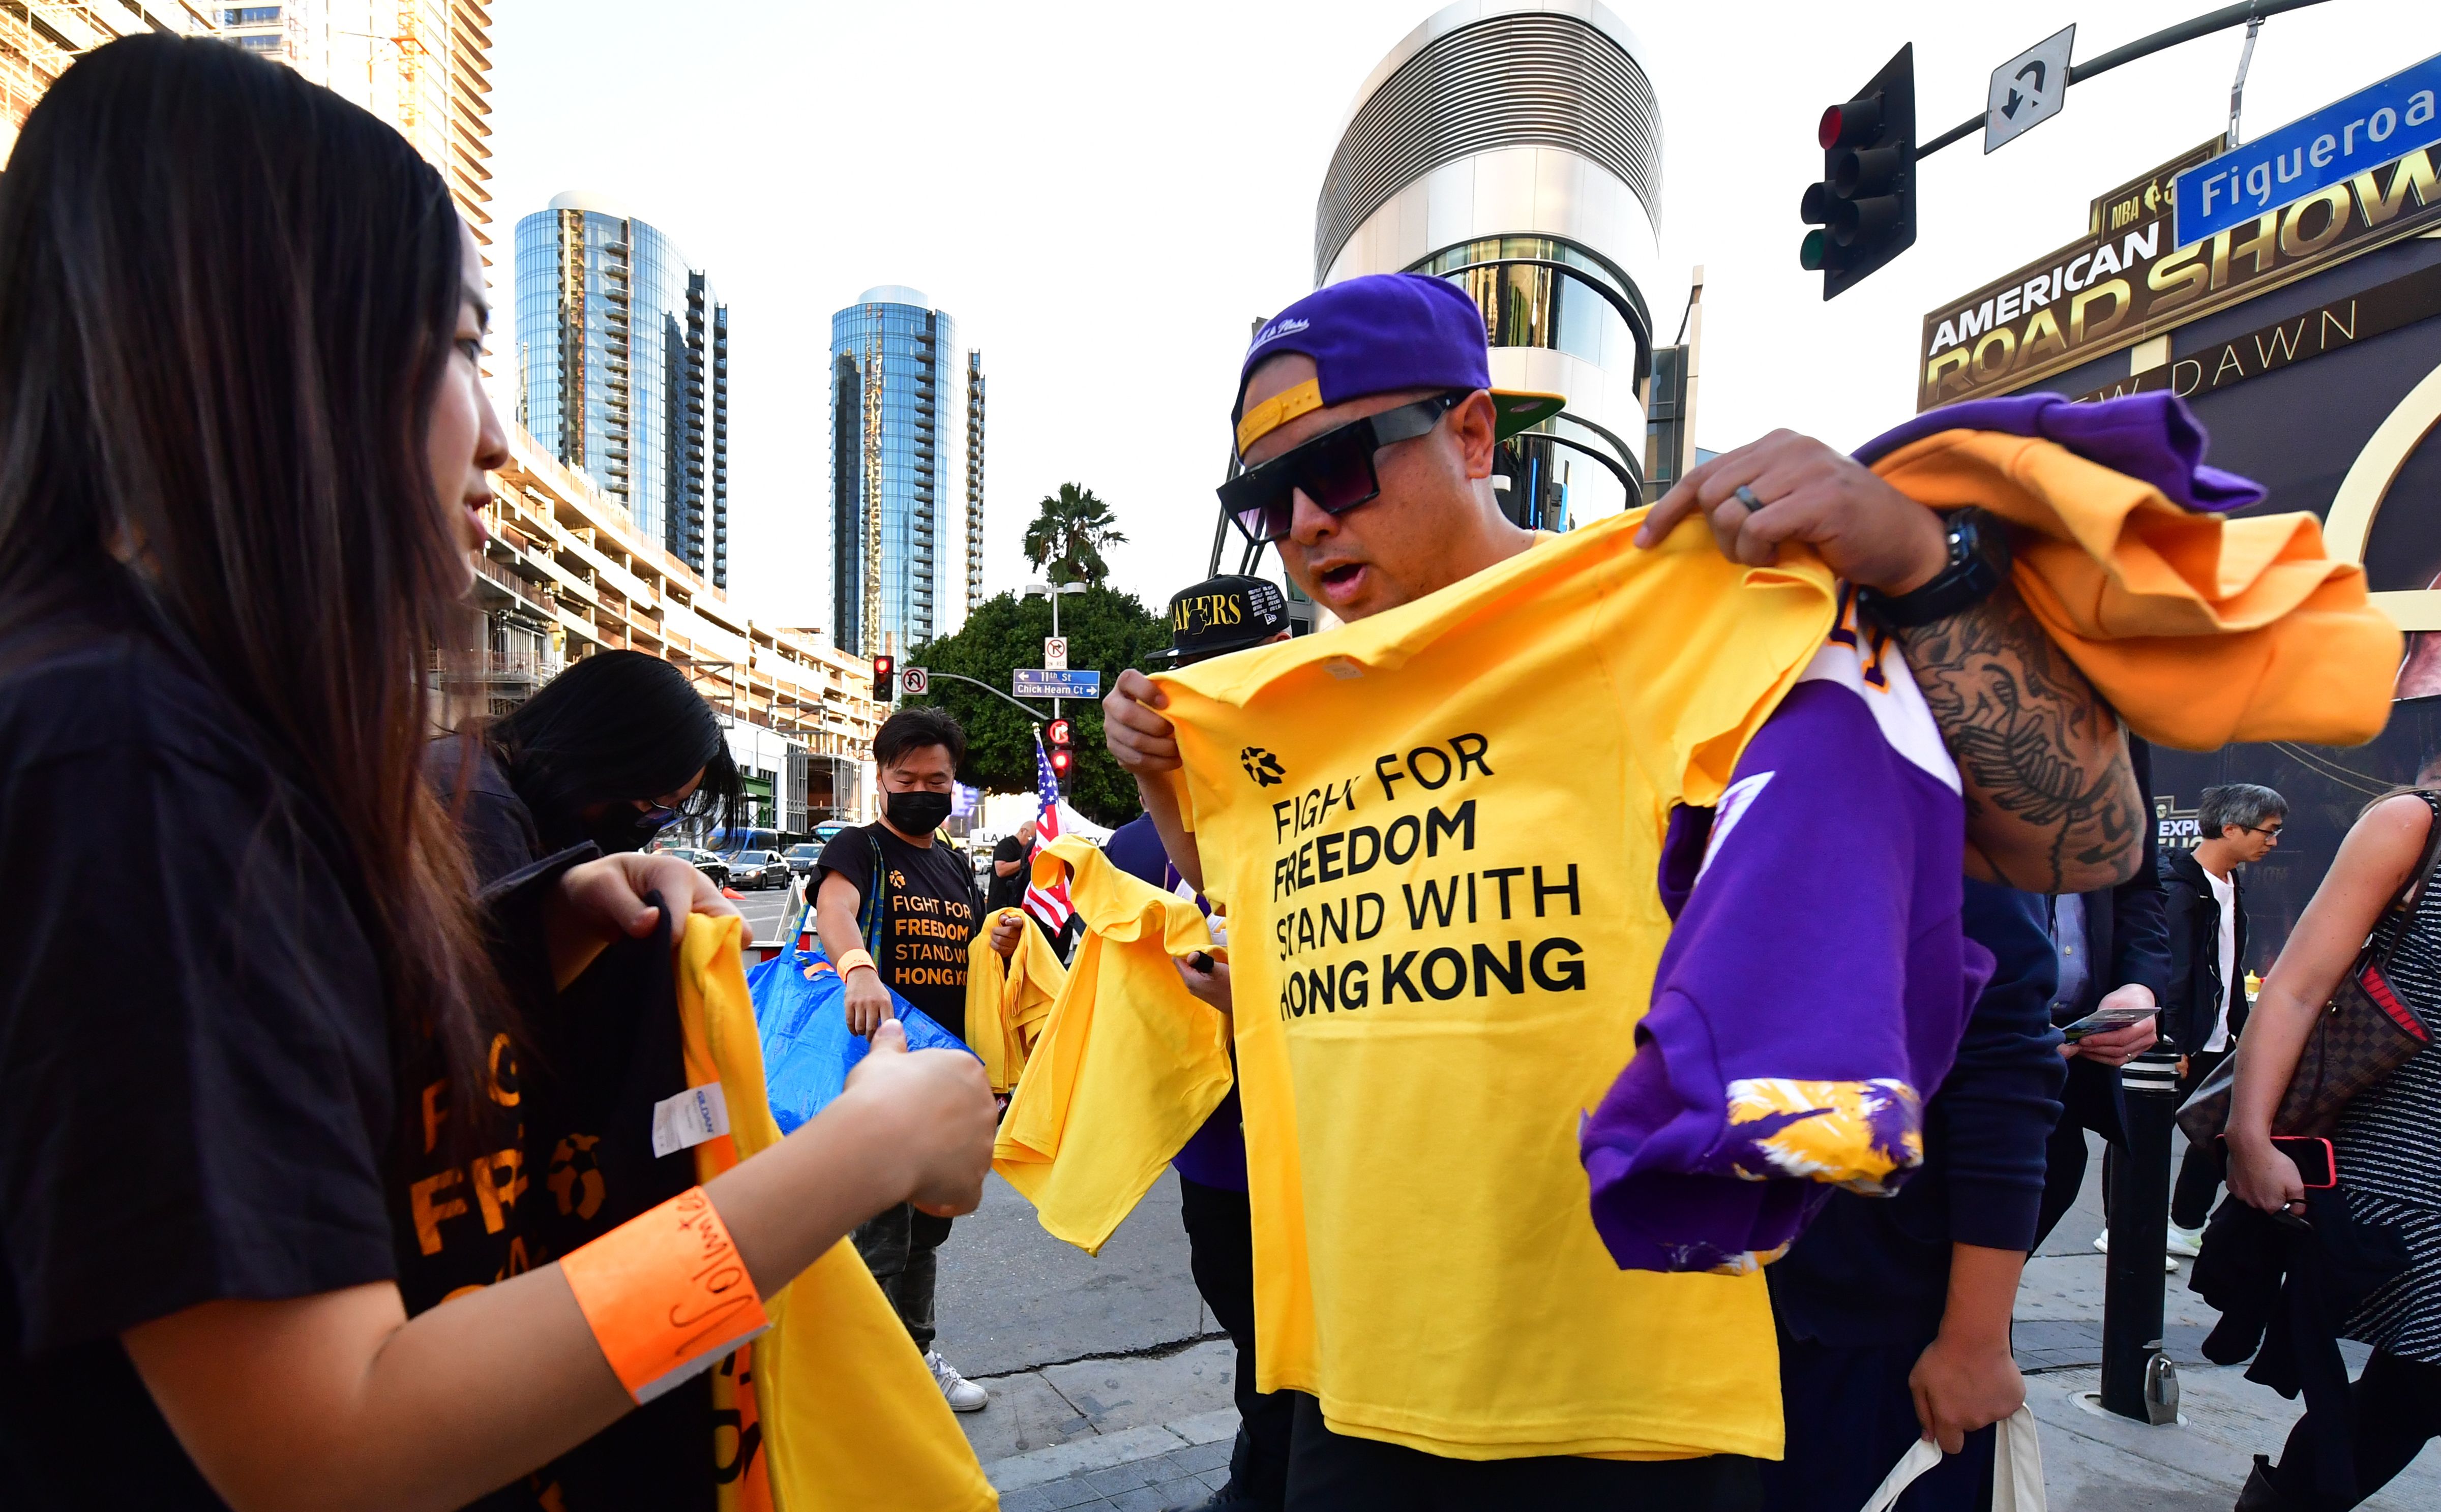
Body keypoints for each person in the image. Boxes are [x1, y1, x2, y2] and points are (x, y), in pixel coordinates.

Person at [0, 38, 996, 1512]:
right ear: (272, 356)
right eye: (458, 347)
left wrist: (531, 928)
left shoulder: (155, 717)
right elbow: (340, 1444)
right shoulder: (127, 751)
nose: (501, 440)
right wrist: (846, 1162)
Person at [1105, 272, 2143, 1505]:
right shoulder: (1290, 704)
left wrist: (1920, 568)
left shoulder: (1670, 615)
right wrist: (1177, 783)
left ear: (1474, 432)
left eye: (1338, 469)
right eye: (1265, 501)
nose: (1305, 524)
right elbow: (1300, 969)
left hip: (1623, 1394)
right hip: (1360, 1375)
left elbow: (2085, 838)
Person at [1104, 574, 1296, 1512]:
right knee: (1252, 1330)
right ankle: (1260, 1475)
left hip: (1322, 1147)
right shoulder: (1132, 848)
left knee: (1310, 1352)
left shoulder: (1333, 803)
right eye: (1193, 689)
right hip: (1216, 1155)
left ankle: (1265, 1484)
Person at [2225, 784, 2441, 1510]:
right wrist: (2250, 1134)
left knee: (2411, 1392)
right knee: (2414, 1389)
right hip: (2407, 1162)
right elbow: (2295, 988)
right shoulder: (2414, 824)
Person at [813, 705, 1023, 1412]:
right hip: (875, 1071)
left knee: (926, 1228)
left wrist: (994, 943)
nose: (923, 789)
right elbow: (834, 912)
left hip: (940, 1072)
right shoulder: (857, 848)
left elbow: (963, 957)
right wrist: (857, 968)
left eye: (938, 778)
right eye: (907, 777)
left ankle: (914, 1352)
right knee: (879, 1234)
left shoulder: (955, 863)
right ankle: (866, 1382)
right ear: (881, 778)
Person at [430, 649, 747, 885]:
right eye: (655, 802)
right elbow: (507, 966)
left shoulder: (479, 778)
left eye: (667, 811)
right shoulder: (479, 809)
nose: (646, 821)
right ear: (600, 748)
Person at [2034, 739, 2173, 1260]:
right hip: (1951, 1064)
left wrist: (2141, 985)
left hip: (2070, 1073)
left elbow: (2138, 888)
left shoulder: (2118, 730)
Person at [2163, 782, 2284, 1254]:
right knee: (2143, 1136)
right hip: (2180, 1039)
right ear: (2230, 828)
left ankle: (2182, 1226)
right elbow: (2174, 971)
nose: (2273, 842)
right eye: (2267, 831)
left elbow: (2227, 966)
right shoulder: (2179, 887)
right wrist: (2170, 1044)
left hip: (2222, 1039)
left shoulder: (2233, 884)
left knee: (2221, 1136)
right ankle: (2125, 1229)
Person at [988, 817, 1038, 912]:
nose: (1031, 842)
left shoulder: (1025, 849)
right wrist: (1025, 861)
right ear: (1022, 831)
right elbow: (1001, 870)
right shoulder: (1006, 844)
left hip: (1016, 902)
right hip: (1001, 902)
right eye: (1031, 838)